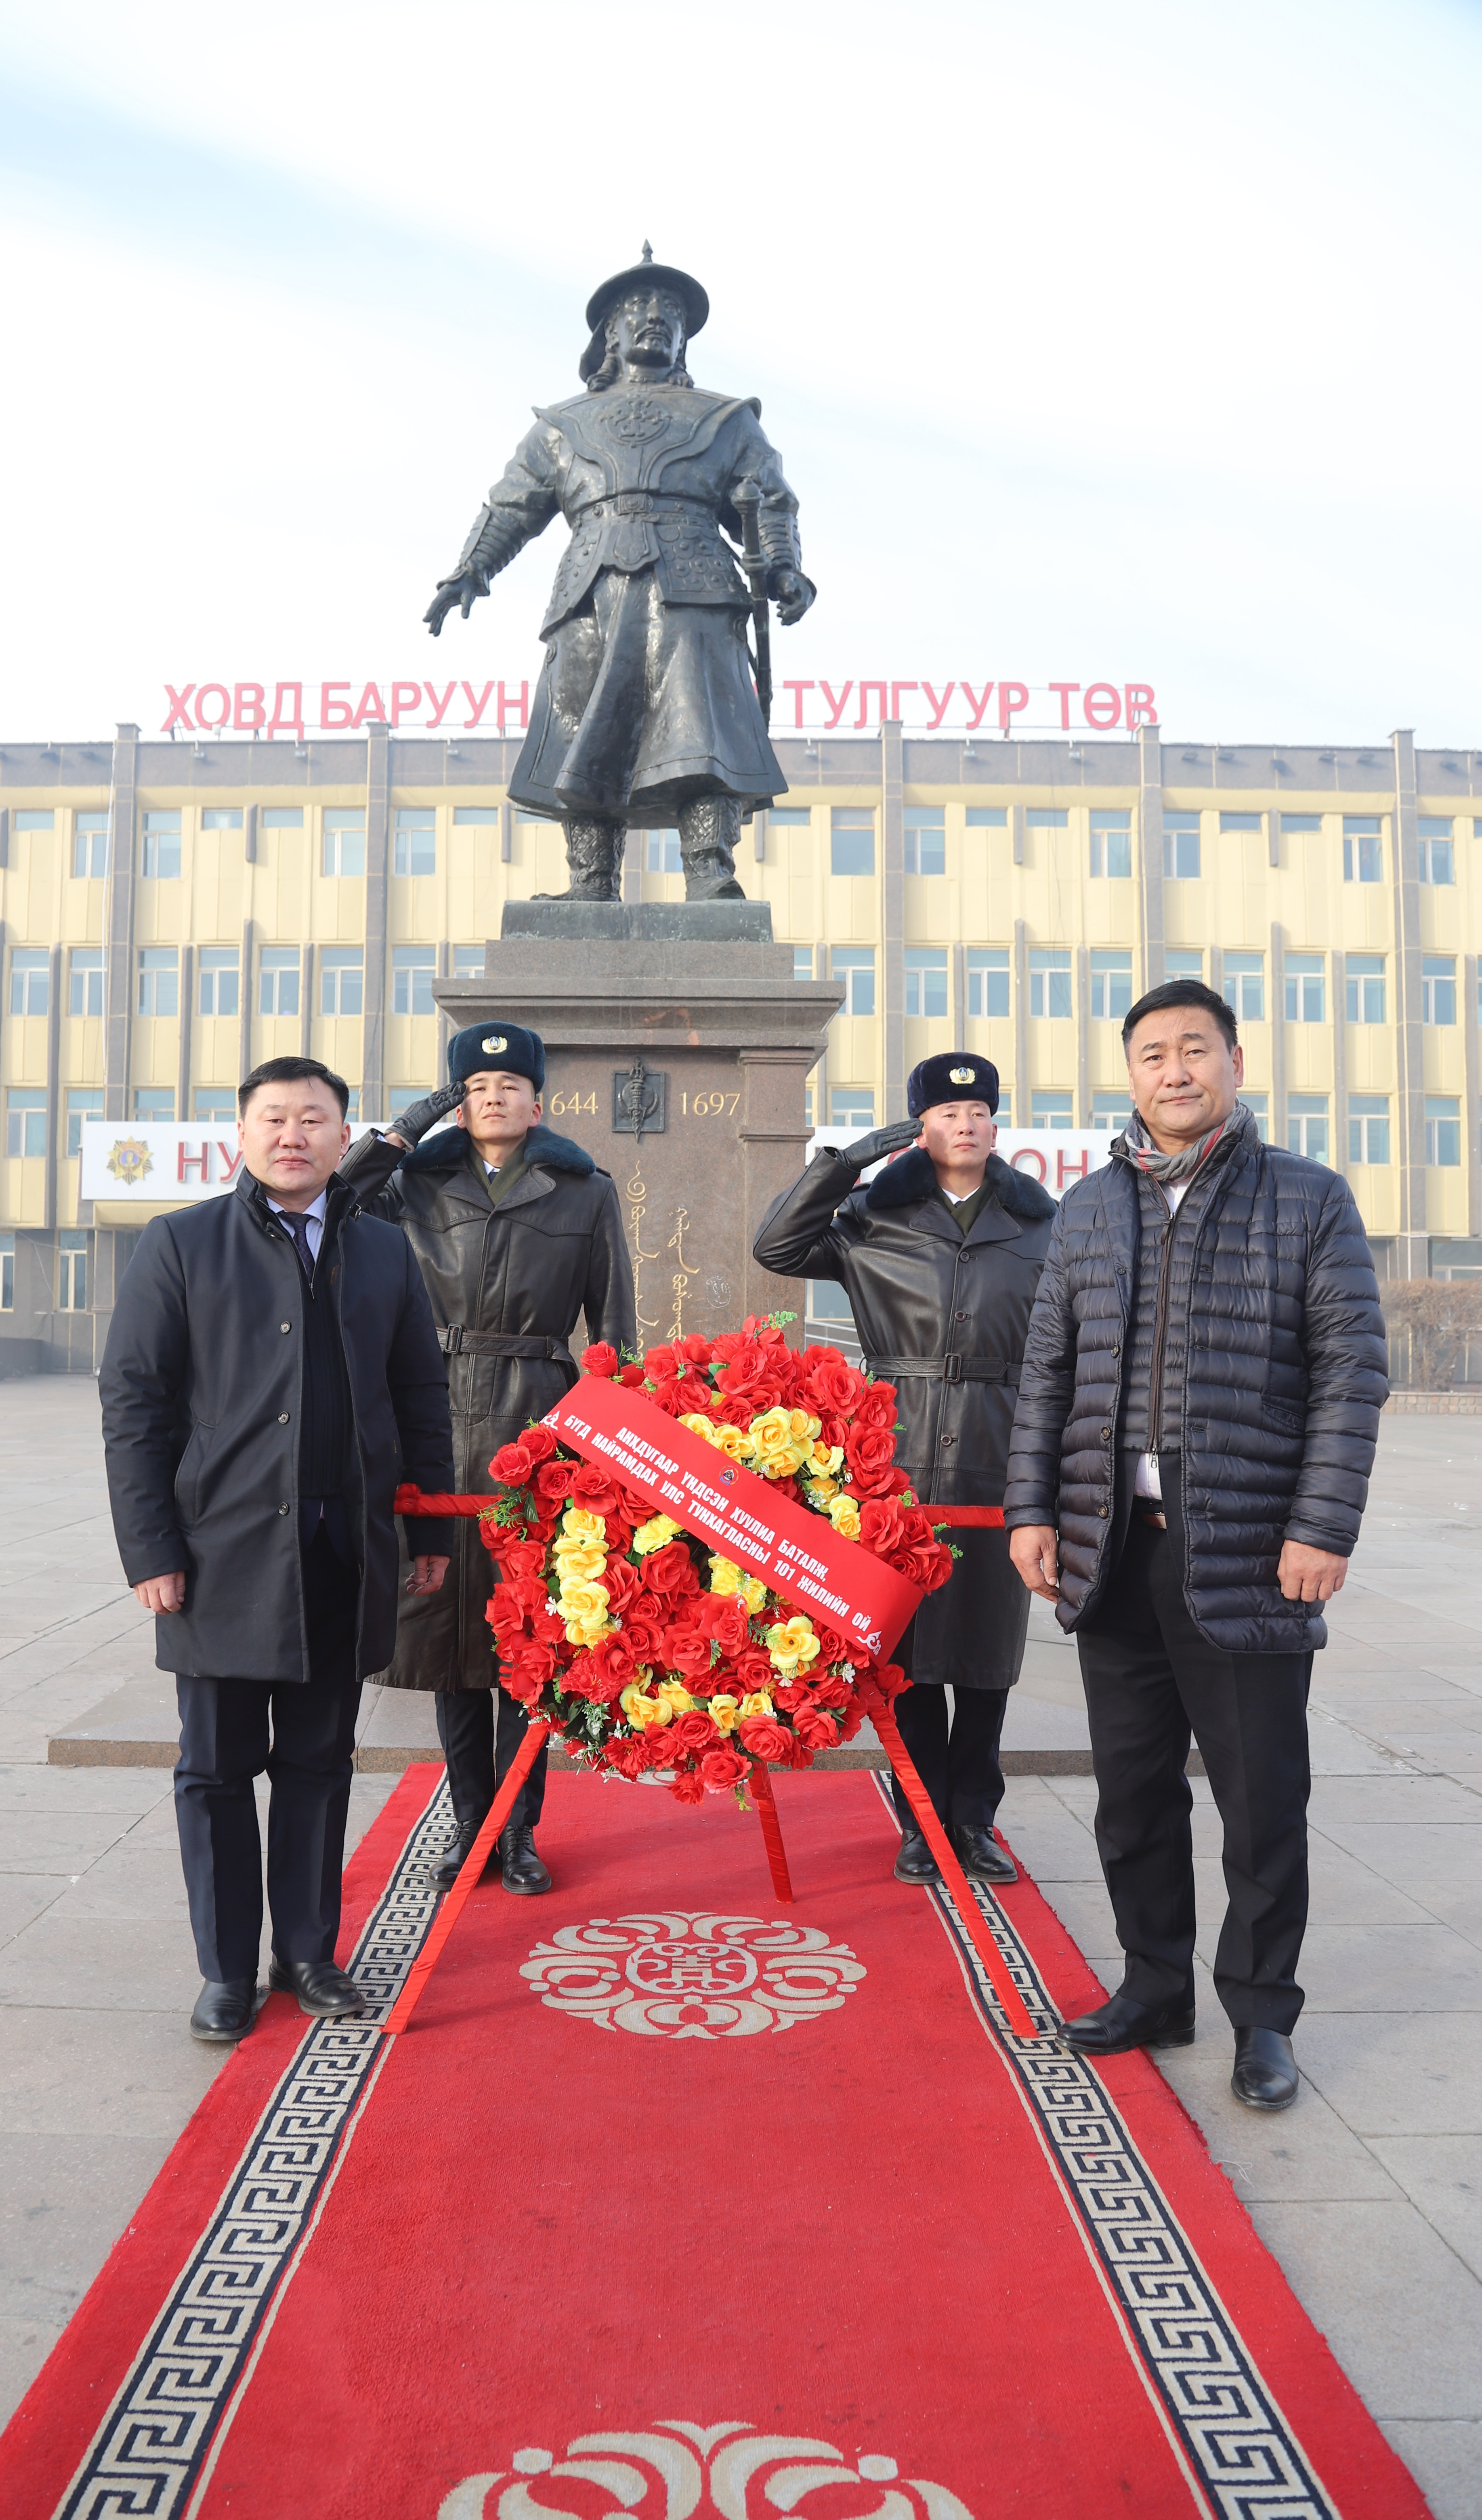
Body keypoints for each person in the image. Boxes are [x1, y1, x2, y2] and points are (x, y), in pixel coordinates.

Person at [1005, 980, 1388, 2112]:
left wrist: (1320, 1526)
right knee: (1131, 1795)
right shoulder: (1088, 1209)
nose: (1173, 1071)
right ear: (1129, 1075)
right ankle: (1153, 1988)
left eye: (1193, 1049)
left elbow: (1350, 1374)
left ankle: (1262, 2018)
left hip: (1249, 1551)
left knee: (1260, 1804)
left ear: (1233, 1061)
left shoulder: (1306, 1198)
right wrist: (1033, 1510)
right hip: (1113, 1551)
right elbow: (1047, 1372)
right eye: (1151, 1054)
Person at [99, 1056, 455, 2045]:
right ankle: (225, 1971)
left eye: (312, 1119)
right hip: (219, 1555)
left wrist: (429, 1527)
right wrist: (150, 1549)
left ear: (344, 1137)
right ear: (242, 1135)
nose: (292, 1135)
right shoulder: (182, 1243)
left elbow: (420, 1397)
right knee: (215, 1770)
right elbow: (134, 1404)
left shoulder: (383, 1249)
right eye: (274, 1119)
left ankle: (307, 1953)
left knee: (317, 1764)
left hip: (342, 1550)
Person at [424, 244, 814, 903]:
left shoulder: (725, 419)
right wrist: (470, 570)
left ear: (685, 335)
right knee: (585, 731)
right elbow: (512, 505)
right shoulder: (562, 426)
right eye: (639, 305)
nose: (656, 315)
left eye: (671, 309)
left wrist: (783, 569)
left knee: (703, 730)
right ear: (611, 332)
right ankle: (591, 881)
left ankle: (710, 871)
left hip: (693, 585)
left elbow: (770, 501)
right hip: (590, 589)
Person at [340, 1022, 634, 1892]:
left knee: (529, 1641)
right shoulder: (413, 1184)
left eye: (510, 1086)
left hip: (539, 1425)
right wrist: (407, 1129)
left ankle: (518, 1831)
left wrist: (609, 1449)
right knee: (449, 1642)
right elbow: (337, 1203)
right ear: (456, 1103)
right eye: (474, 1087)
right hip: (428, 1414)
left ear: (538, 1104)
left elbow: (614, 1328)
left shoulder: (584, 1190)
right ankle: (472, 1826)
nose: (494, 1098)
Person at [753, 1054, 1056, 1884]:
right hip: (894, 1448)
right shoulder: (872, 1217)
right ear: (918, 1128)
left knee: (989, 1648)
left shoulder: (1039, 1223)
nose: (966, 1123)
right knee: (907, 1650)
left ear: (996, 1125)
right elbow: (776, 1245)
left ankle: (975, 1819)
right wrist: (844, 1165)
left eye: (979, 1111)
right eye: (947, 1112)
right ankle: (923, 1820)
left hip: (1001, 1442)